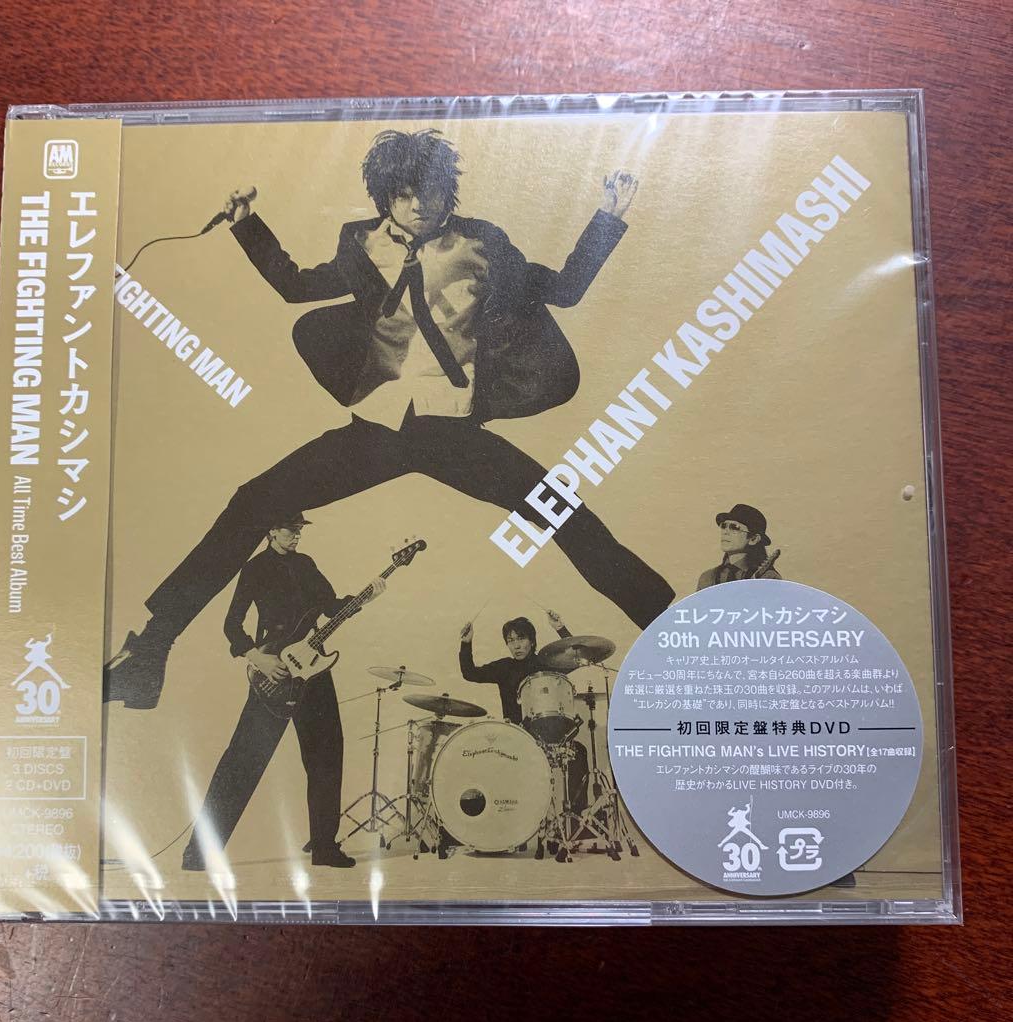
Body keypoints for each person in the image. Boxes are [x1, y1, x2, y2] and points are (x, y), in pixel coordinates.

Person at [105, 128, 674, 711]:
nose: (418, 204)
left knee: (564, 515)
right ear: (385, 196)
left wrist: (608, 216)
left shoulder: (482, 242)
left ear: (448, 190)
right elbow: (296, 286)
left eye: (429, 190)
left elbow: (564, 289)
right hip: (378, 429)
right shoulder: (360, 242)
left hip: (453, 432)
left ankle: (674, 634)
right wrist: (248, 224)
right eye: (403, 194)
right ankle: (149, 653)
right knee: (253, 502)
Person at [179, 512, 383, 871]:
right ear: (272, 530)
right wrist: (258, 658)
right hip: (273, 671)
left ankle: (324, 847)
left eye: (300, 530)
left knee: (326, 755)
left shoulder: (306, 564)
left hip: (314, 669)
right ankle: (199, 854)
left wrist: (365, 597)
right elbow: (232, 624)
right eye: (291, 530)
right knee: (243, 759)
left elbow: (330, 606)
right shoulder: (254, 569)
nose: (297, 536)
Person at [459, 611, 589, 812]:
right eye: (510, 641)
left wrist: (560, 629)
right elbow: (469, 673)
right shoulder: (504, 667)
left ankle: (576, 817)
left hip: (548, 735)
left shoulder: (547, 662)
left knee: (578, 752)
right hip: (516, 737)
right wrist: (466, 643)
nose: (516, 645)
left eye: (521, 638)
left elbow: (576, 658)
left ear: (532, 641)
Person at [696, 503, 781, 590]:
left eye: (735, 527)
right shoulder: (707, 578)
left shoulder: (768, 578)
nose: (725, 532)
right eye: (724, 526)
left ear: (754, 539)